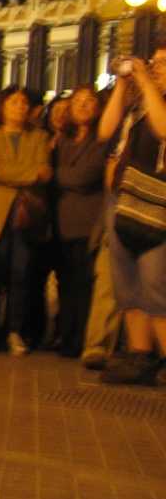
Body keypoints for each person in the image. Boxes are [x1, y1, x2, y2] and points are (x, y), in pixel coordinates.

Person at [97, 41, 166, 385]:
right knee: (127, 281)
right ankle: (140, 355)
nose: (155, 68)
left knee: (156, 283)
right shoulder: (137, 104)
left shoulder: (156, 104)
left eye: (163, 64)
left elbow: (163, 128)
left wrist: (147, 83)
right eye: (153, 63)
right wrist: (123, 84)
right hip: (122, 200)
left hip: (158, 203)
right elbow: (105, 131)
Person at [0, 86, 52, 355]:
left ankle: (14, 330)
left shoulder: (40, 137)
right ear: (3, 107)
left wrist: (6, 177)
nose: (19, 107)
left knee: (21, 273)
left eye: (23, 103)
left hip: (25, 215)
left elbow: (44, 172)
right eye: (13, 102)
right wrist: (29, 174)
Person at [52, 86, 105, 358]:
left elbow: (85, 178)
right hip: (61, 222)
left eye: (90, 101)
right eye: (78, 101)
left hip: (87, 222)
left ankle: (81, 338)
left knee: (84, 283)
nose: (83, 106)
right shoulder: (61, 140)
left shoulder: (102, 140)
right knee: (66, 282)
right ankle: (65, 333)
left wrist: (53, 174)